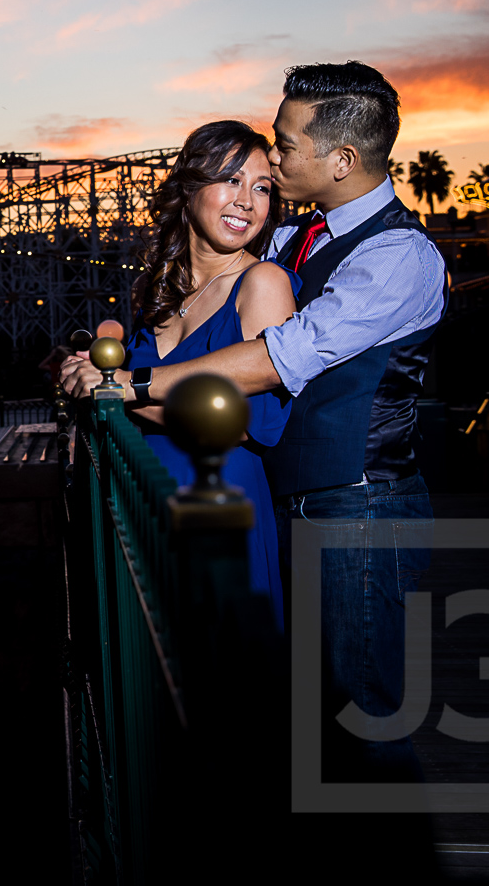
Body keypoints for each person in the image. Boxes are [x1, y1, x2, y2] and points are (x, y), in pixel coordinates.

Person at [61, 62, 446, 780]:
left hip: (359, 506)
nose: (273, 159)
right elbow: (190, 291)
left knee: (362, 718)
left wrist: (122, 382)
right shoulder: (290, 241)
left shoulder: (398, 256)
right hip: (288, 504)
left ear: (342, 159)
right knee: (300, 717)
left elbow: (274, 360)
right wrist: (102, 339)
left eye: (285, 145)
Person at [120, 120, 297, 630]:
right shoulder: (163, 287)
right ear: (190, 187)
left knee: (222, 687)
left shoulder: (262, 282)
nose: (247, 199)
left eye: (262, 187)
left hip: (219, 507)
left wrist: (118, 392)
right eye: (231, 180)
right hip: (145, 505)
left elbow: (247, 422)